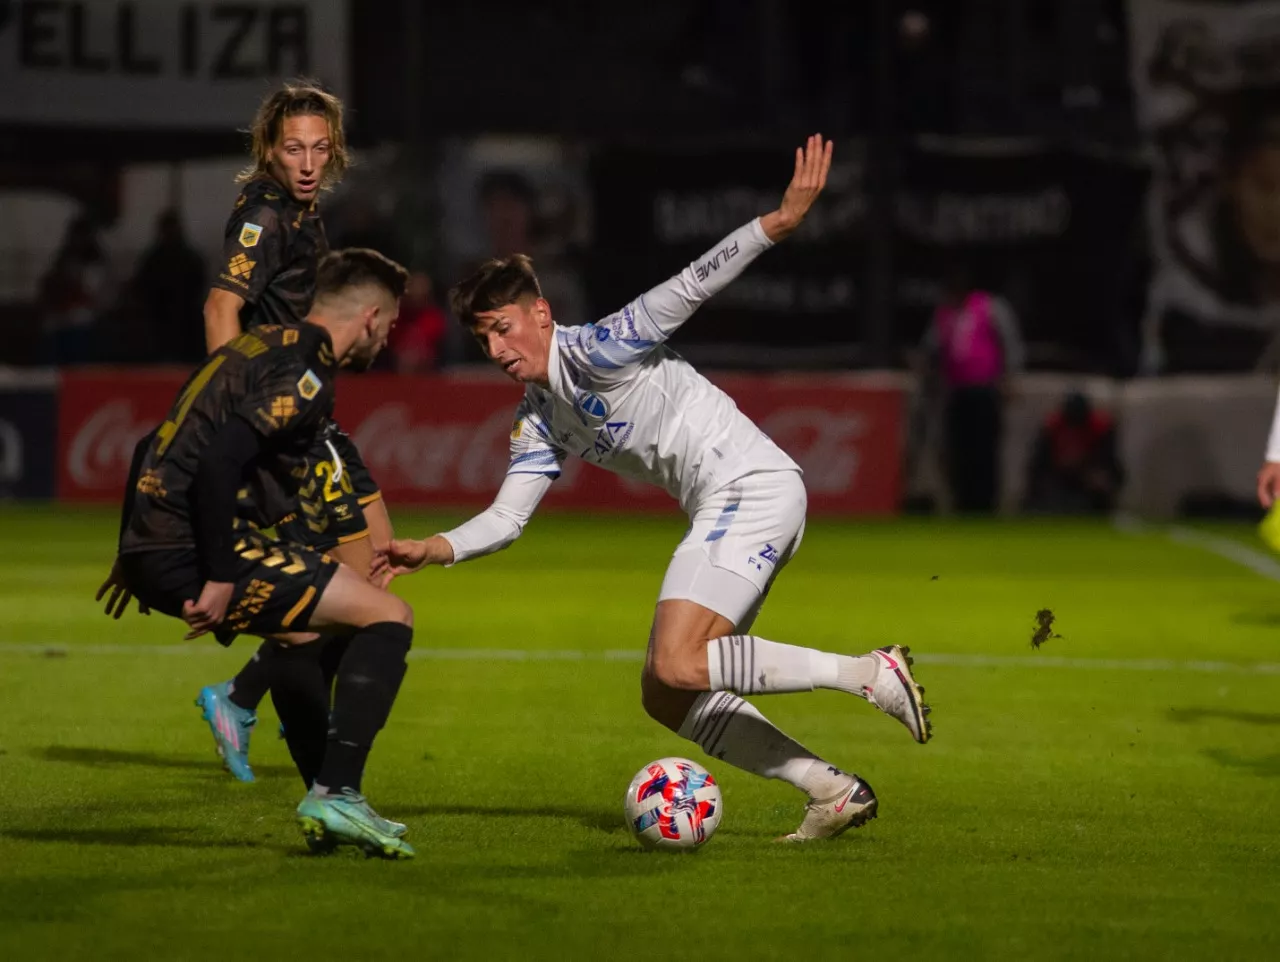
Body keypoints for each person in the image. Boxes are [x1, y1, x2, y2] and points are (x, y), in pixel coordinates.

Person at [376, 136, 932, 843]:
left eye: (503, 329)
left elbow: (692, 284)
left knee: (677, 661)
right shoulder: (539, 417)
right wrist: (434, 547)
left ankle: (867, 672)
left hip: (749, 488)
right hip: (739, 503)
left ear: (541, 312)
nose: (496, 350)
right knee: (665, 692)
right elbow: (509, 518)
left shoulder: (599, 349)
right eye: (484, 339)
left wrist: (777, 223)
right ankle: (831, 790)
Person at [96, 249, 415, 858]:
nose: (386, 339)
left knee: (301, 637)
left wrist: (130, 550)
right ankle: (337, 792)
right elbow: (221, 461)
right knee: (387, 615)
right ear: (370, 317)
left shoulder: (254, 346)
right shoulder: (307, 370)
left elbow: (150, 441)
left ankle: (327, 800)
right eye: (391, 324)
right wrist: (220, 575)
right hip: (193, 548)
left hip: (156, 543)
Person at [195, 80, 396, 783]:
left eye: (318, 149)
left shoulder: (301, 212)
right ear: (268, 150)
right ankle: (277, 716)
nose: (307, 163)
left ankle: (247, 695)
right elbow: (221, 307)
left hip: (310, 415)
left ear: (333, 150)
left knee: (376, 562)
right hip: (279, 420)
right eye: (292, 150)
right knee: (356, 589)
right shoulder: (264, 215)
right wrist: (231, 410)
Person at [919, 265, 1024, 513]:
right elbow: (932, 347)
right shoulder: (944, 314)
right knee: (958, 450)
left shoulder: (989, 307)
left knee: (984, 449)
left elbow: (1010, 342)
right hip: (956, 391)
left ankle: (986, 503)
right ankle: (962, 503)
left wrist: (1011, 376)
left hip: (985, 389)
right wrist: (927, 372)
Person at [1024, 391, 1123, 514]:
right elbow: (1037, 464)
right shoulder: (1052, 427)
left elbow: (1112, 464)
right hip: (1058, 477)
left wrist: (1101, 476)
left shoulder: (1100, 429)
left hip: (1087, 477)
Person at [130, 209, 206, 363]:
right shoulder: (153, 259)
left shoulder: (190, 258)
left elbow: (198, 283)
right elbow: (141, 286)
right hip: (157, 314)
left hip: (186, 314)